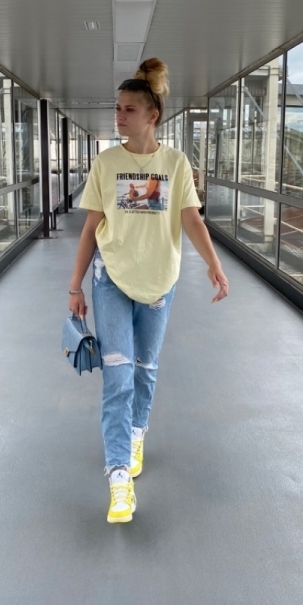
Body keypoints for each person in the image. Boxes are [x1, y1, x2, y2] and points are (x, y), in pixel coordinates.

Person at [68, 58, 229, 524]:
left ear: (152, 115)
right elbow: (91, 227)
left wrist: (214, 264)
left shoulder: (175, 163)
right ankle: (119, 476)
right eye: (117, 108)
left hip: (159, 280)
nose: (119, 116)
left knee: (145, 368)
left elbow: (191, 219)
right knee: (117, 376)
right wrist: (74, 285)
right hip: (111, 280)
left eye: (129, 109)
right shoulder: (106, 163)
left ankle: (137, 431)